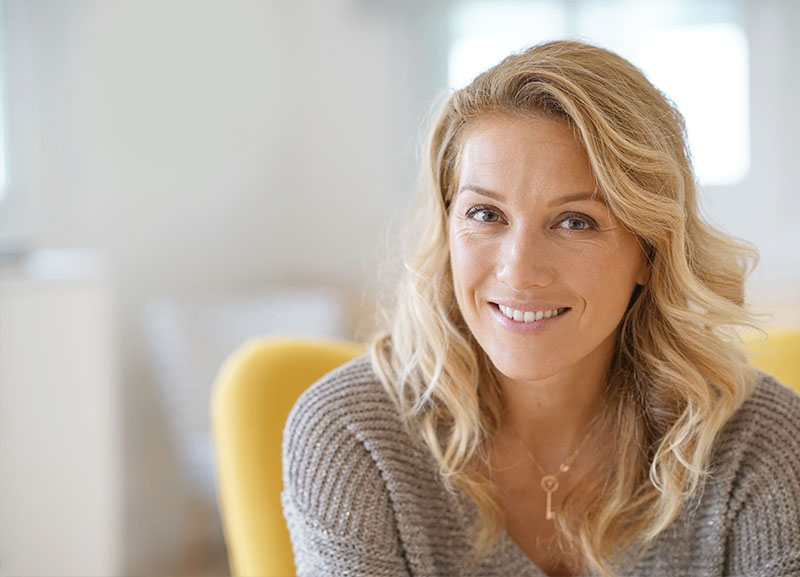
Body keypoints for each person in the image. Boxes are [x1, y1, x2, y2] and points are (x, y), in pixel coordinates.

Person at [281, 40, 800, 576]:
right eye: (485, 214)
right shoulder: (352, 438)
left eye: (575, 221)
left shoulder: (761, 446)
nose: (519, 271)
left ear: (651, 250)